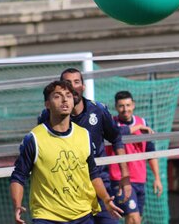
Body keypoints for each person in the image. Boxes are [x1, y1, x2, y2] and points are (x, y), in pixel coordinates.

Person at [10, 80, 123, 224]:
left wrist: (106, 199)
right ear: (47, 104)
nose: (64, 100)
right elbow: (19, 176)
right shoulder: (34, 138)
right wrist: (17, 205)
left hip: (83, 215)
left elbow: (93, 173)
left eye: (68, 95)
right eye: (57, 96)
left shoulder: (83, 134)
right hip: (47, 217)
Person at [38, 68, 132, 224]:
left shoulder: (98, 110)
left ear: (83, 86)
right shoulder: (48, 116)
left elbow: (116, 138)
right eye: (67, 83)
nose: (73, 87)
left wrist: (125, 175)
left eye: (77, 82)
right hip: (70, 190)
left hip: (100, 186)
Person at [106, 91, 163, 224]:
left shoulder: (143, 122)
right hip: (120, 180)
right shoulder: (111, 124)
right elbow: (116, 133)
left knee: (136, 219)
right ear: (116, 107)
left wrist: (157, 178)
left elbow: (151, 152)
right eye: (121, 106)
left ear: (133, 105)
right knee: (134, 218)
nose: (125, 109)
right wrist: (136, 128)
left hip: (140, 179)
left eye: (128, 105)